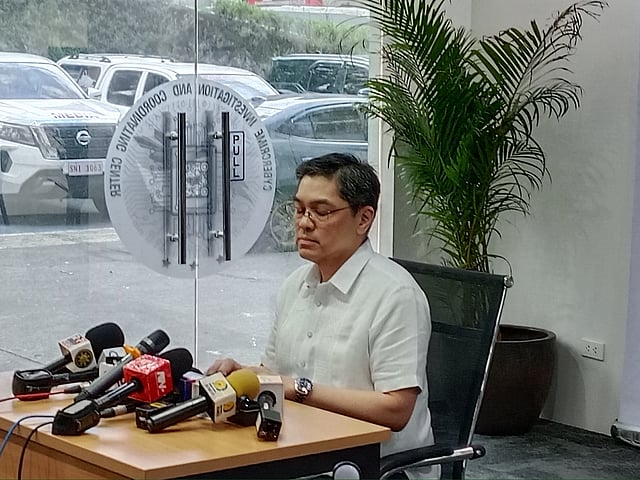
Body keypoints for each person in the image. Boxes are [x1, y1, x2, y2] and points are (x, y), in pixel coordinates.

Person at [207, 152, 435, 478]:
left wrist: (300, 389)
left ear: (363, 219)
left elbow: (396, 409)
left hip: (374, 467)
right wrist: (247, 374)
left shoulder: (395, 295)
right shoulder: (295, 285)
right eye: (299, 209)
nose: (304, 222)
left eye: (321, 212)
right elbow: (278, 373)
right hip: (301, 451)